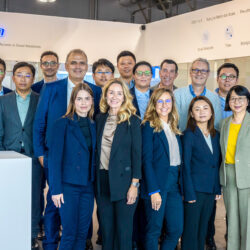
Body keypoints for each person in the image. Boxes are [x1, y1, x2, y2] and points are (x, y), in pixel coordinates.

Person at [33, 49, 101, 250]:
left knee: (79, 227)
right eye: (73, 62)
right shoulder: (52, 88)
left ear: (87, 67)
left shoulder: (95, 92)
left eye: (82, 63)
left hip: (84, 175)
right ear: (66, 65)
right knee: (54, 208)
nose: (78, 66)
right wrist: (41, 155)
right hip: (55, 162)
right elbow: (39, 125)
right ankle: (51, 243)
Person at [95, 78, 141, 250]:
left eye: (119, 93)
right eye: (111, 92)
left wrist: (134, 185)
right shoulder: (99, 119)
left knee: (124, 232)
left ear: (124, 97)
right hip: (102, 181)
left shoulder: (133, 121)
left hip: (125, 183)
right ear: (106, 95)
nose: (114, 96)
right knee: (107, 231)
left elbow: (137, 156)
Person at [48, 83, 96, 250]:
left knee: (82, 234)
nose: (83, 102)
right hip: (67, 187)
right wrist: (55, 189)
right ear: (73, 101)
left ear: (92, 101)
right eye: (79, 98)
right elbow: (54, 159)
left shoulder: (93, 125)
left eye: (87, 98)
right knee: (69, 233)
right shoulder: (62, 124)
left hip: (87, 187)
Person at [0, 62, 41, 249]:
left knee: (33, 198)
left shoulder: (40, 100)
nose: (23, 78)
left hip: (33, 157)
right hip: (8, 157)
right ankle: (8, 232)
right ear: (13, 77)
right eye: (19, 74)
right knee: (9, 198)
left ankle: (31, 235)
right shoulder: (3, 101)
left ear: (33, 78)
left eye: (27, 75)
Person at [141, 88, 183, 250]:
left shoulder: (174, 126)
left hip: (174, 185)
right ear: (153, 104)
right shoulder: (148, 126)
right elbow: (147, 160)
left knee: (175, 229)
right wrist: (153, 191)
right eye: (160, 101)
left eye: (168, 101)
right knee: (154, 230)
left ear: (172, 104)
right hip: (157, 185)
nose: (164, 105)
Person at [181, 96, 221, 250]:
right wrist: (188, 193)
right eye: (197, 109)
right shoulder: (189, 135)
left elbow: (216, 164)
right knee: (191, 230)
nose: (201, 112)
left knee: (203, 229)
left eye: (205, 108)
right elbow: (186, 166)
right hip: (194, 191)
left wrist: (217, 188)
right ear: (191, 114)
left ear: (211, 112)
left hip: (210, 190)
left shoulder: (216, 134)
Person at [206, 62, 239, 250]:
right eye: (224, 76)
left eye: (231, 76)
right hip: (211, 155)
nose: (227, 80)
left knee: (233, 204)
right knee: (211, 198)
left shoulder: (241, 100)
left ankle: (231, 237)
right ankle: (209, 236)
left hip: (233, 160)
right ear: (217, 78)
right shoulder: (209, 99)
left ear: (236, 79)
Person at [220, 85, 250, 250]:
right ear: (228, 102)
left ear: (247, 102)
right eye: (233, 98)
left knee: (247, 221)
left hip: (248, 176)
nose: (237, 102)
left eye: (241, 98)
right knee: (231, 220)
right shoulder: (224, 123)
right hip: (228, 176)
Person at [174, 58, 222, 131]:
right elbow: (173, 123)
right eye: (195, 70)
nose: (199, 73)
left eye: (203, 71)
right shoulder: (177, 94)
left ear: (208, 74)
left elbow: (216, 126)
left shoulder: (214, 98)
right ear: (190, 72)